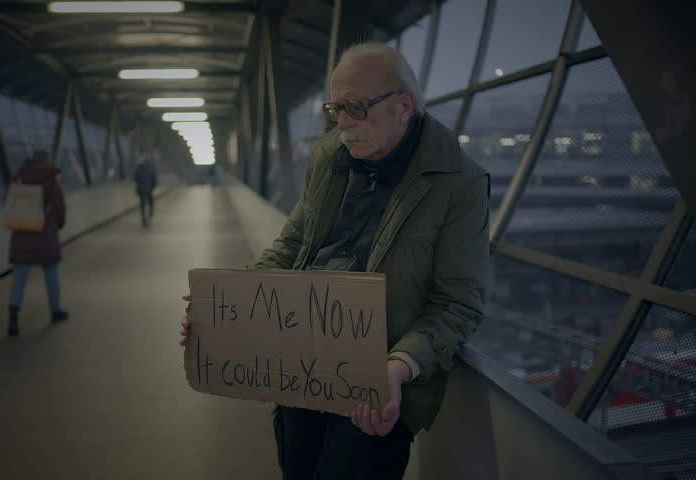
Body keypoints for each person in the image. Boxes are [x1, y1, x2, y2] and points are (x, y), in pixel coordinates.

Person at [180, 42, 490, 479]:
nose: (343, 124)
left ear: (404, 106)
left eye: (357, 108)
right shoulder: (329, 156)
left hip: (375, 383)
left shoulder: (459, 182)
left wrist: (396, 369)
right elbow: (294, 244)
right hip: (300, 365)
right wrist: (226, 309)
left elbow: (458, 304)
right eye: (336, 108)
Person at [8, 147, 69, 336]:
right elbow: (59, 207)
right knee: (51, 275)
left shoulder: (19, 176)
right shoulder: (50, 179)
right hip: (45, 234)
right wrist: (56, 225)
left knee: (19, 277)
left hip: (23, 232)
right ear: (47, 158)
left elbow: (10, 202)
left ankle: (13, 319)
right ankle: (55, 311)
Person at [133, 153, 157, 227]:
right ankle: (149, 216)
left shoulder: (139, 167)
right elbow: (154, 180)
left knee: (142, 204)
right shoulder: (151, 167)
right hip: (149, 189)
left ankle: (143, 218)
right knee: (151, 203)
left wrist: (139, 185)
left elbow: (135, 178)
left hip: (141, 189)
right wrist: (152, 187)